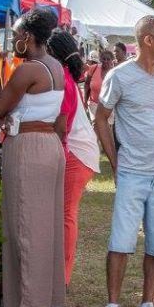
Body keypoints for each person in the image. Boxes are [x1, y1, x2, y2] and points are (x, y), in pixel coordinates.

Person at [91, 16, 154, 307]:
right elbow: (101, 119)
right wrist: (115, 163)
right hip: (132, 171)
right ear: (148, 40)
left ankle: (147, 305)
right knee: (121, 240)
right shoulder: (120, 76)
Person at [0, 8, 67, 307]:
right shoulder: (55, 65)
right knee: (44, 227)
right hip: (48, 147)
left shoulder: (28, 69)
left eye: (17, 35)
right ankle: (41, 306)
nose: (14, 41)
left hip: (28, 148)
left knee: (24, 228)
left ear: (28, 38)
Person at [47, 30, 99, 286]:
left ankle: (62, 278)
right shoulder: (64, 76)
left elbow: (62, 127)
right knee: (64, 214)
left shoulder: (63, 78)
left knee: (66, 214)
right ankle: (59, 274)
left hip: (76, 154)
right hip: (79, 152)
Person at [84, 49, 115, 117]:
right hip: (94, 105)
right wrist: (85, 100)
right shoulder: (93, 68)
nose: (106, 61)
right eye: (104, 59)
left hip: (109, 107)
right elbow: (87, 84)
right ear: (100, 60)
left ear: (112, 60)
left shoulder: (115, 72)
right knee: (95, 126)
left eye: (108, 59)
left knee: (108, 126)